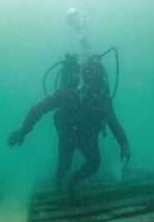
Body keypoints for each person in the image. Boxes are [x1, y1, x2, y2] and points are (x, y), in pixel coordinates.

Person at [7, 54, 131, 195]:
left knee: (93, 163)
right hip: (69, 133)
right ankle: (59, 183)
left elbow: (112, 121)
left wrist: (124, 143)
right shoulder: (67, 93)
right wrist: (24, 129)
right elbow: (38, 109)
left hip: (85, 135)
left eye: (96, 80)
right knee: (65, 165)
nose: (90, 87)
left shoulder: (100, 98)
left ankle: (72, 182)